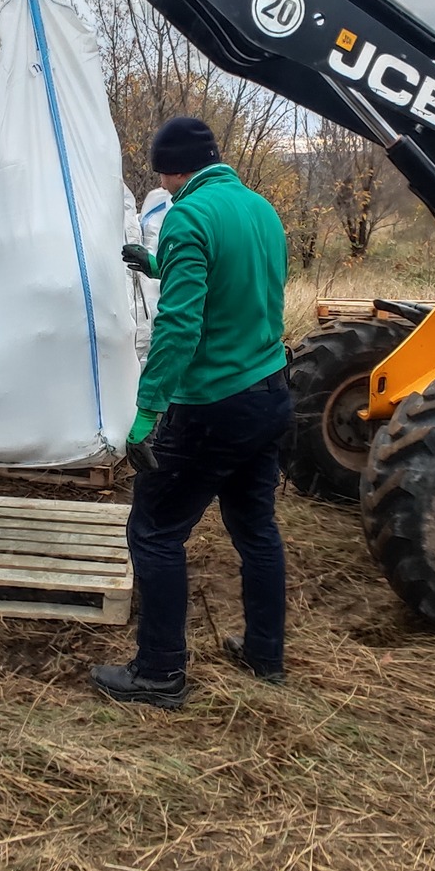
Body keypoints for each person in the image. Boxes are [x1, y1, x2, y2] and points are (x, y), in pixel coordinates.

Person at [92, 116, 291, 709]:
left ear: (170, 170)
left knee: (153, 532)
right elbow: (241, 282)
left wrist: (147, 410)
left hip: (213, 406)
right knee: (256, 529)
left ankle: (159, 673)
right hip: (270, 392)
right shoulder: (259, 209)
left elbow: (179, 325)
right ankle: (265, 652)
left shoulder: (188, 214)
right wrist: (158, 265)